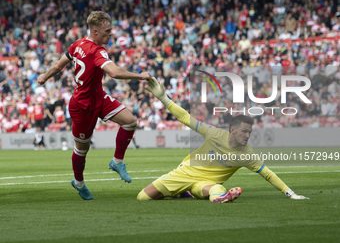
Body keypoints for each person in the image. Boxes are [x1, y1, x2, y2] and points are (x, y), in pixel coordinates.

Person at [137, 78, 309, 203]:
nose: (247, 136)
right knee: (143, 197)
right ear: (232, 130)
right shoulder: (213, 134)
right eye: (244, 131)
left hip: (206, 184)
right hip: (186, 173)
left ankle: (216, 197)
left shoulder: (247, 153)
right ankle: (181, 191)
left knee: (217, 189)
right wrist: (163, 98)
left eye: (249, 132)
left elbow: (268, 174)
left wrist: (290, 193)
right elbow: (185, 117)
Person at [38, 11, 151, 200]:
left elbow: (58, 66)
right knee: (82, 149)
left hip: (99, 97)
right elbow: (114, 72)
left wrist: (44, 76)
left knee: (130, 121)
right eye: (107, 31)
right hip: (82, 106)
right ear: (95, 30)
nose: (111, 34)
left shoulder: (77, 44)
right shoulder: (96, 51)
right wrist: (140, 76)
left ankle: (117, 162)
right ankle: (79, 182)